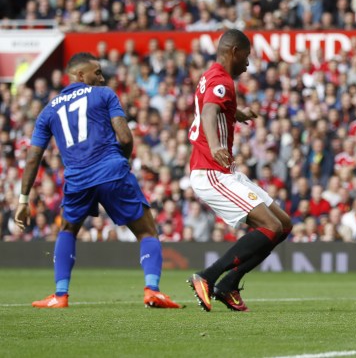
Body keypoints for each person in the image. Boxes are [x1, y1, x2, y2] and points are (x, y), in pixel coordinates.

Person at [14, 52, 181, 309]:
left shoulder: (48, 111)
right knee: (147, 231)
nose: (102, 78)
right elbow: (125, 138)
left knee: (67, 230)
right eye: (97, 72)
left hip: (77, 178)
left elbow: (34, 156)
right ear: (81, 75)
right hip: (111, 170)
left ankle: (60, 295)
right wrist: (121, 162)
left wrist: (23, 199)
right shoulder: (104, 95)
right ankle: (152, 290)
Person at [186, 29, 292, 312]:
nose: (248, 63)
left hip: (224, 171)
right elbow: (209, 113)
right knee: (270, 227)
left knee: (283, 225)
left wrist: (237, 113)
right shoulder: (222, 80)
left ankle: (229, 283)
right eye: (246, 56)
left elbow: (215, 108)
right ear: (234, 51)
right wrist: (217, 144)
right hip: (211, 171)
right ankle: (208, 277)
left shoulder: (212, 76)